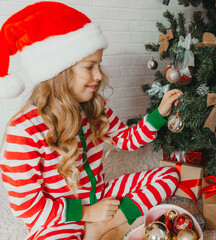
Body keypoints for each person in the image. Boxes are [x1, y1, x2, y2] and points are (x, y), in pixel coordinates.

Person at [0, 2, 182, 240]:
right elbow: (28, 207)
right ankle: (109, 223)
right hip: (62, 215)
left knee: (169, 176)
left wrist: (160, 113)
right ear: (59, 72)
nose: (98, 75)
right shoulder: (23, 131)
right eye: (89, 67)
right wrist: (86, 213)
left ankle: (113, 224)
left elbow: (126, 140)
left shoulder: (94, 107)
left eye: (99, 64)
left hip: (101, 195)